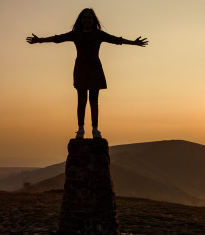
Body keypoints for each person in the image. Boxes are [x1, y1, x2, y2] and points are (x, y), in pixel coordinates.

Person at [26, 8, 148, 139]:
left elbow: (116, 40)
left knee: (94, 101)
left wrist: (134, 43)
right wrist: (40, 40)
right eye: (84, 17)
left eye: (89, 17)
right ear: (80, 20)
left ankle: (95, 129)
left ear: (93, 20)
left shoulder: (98, 34)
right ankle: (80, 129)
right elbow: (58, 38)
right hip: (81, 69)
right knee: (81, 101)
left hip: (95, 69)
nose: (87, 20)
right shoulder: (76, 34)